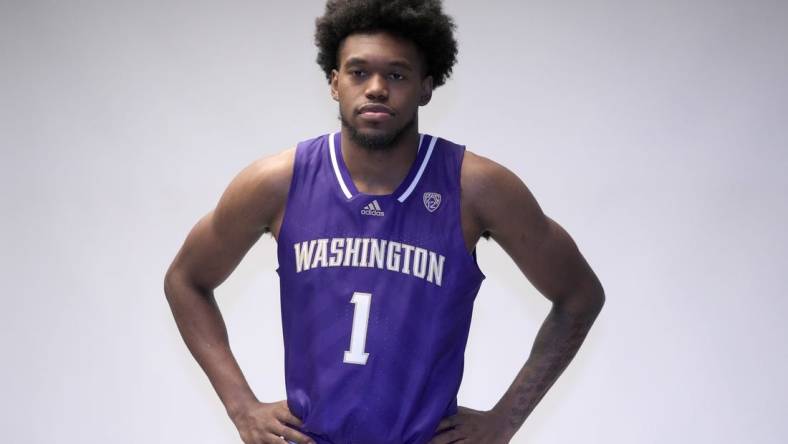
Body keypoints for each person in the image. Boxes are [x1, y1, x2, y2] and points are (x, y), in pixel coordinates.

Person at [163, 1, 605, 443]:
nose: (376, 88)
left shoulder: (476, 188)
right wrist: (242, 407)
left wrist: (505, 420)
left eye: (396, 74)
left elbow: (579, 295)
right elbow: (186, 280)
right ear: (334, 83)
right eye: (358, 73)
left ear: (426, 87)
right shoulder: (278, 182)